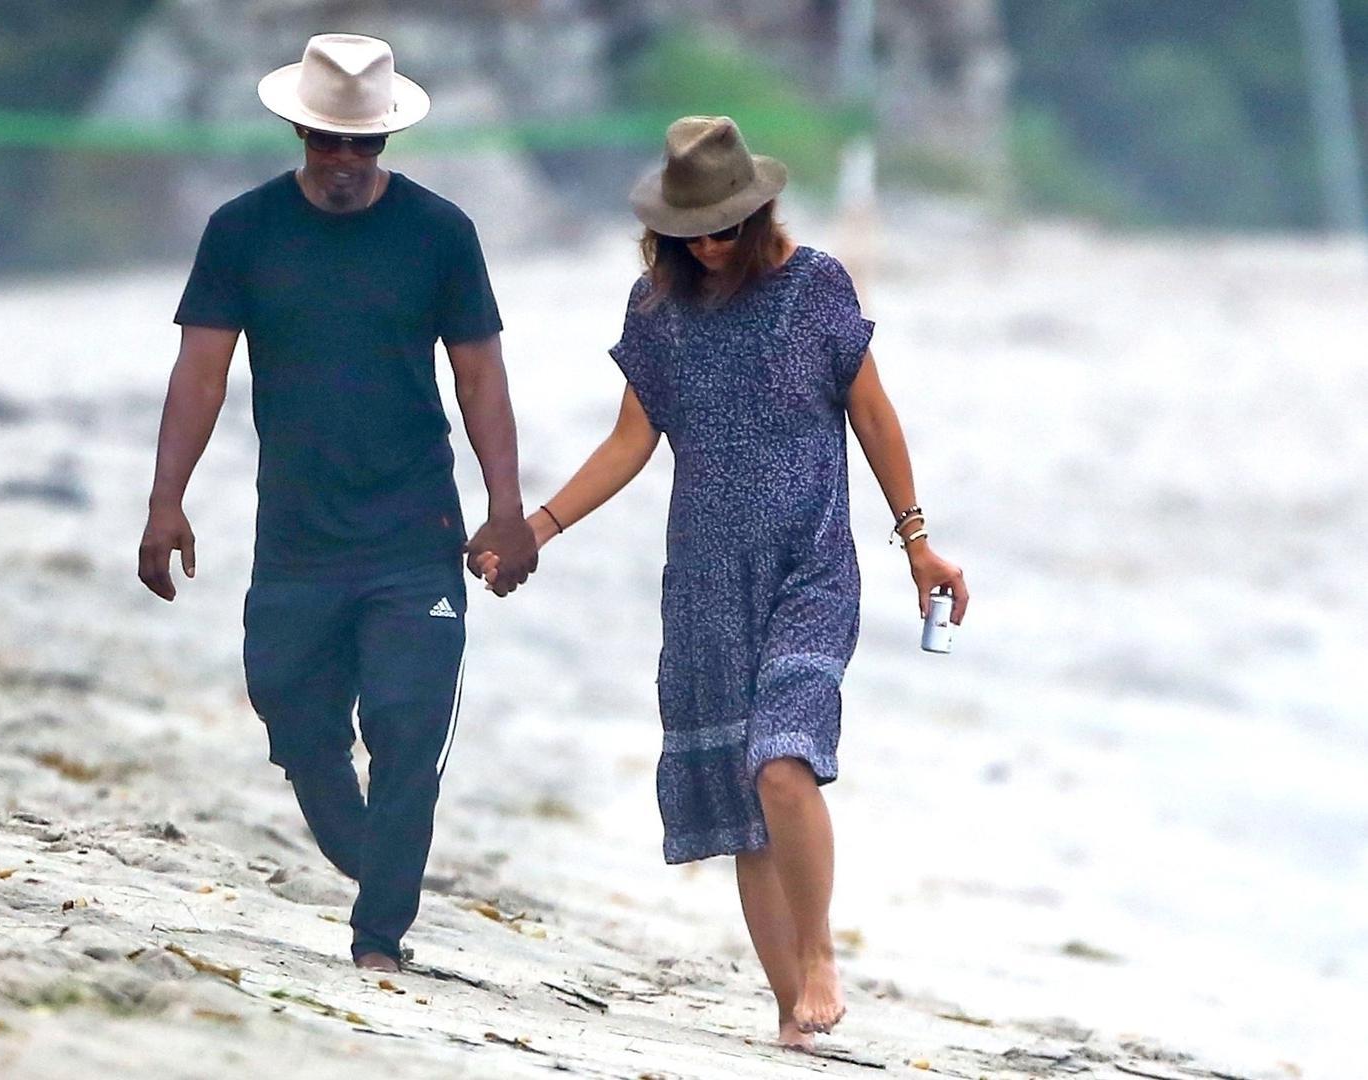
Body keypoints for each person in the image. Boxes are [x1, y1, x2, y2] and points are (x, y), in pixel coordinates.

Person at [478, 116, 969, 1046]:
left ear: (758, 214)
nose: (706, 246)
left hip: (810, 566)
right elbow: (630, 440)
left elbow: (873, 413)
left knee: (783, 763)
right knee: (742, 809)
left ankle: (819, 956)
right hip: (705, 581)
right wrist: (536, 529)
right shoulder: (656, 311)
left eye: (723, 228)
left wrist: (918, 543)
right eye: (688, 232)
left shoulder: (815, 287)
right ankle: (792, 1017)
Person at [138, 33, 538, 973]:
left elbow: (480, 376)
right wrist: (165, 502)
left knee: (406, 723)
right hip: (296, 534)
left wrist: (507, 508)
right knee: (291, 710)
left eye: (364, 143)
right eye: (329, 140)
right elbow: (200, 373)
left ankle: (379, 939)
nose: (346, 160)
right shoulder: (243, 231)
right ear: (299, 132)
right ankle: (375, 857)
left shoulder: (441, 234)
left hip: (415, 530)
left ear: (386, 141)